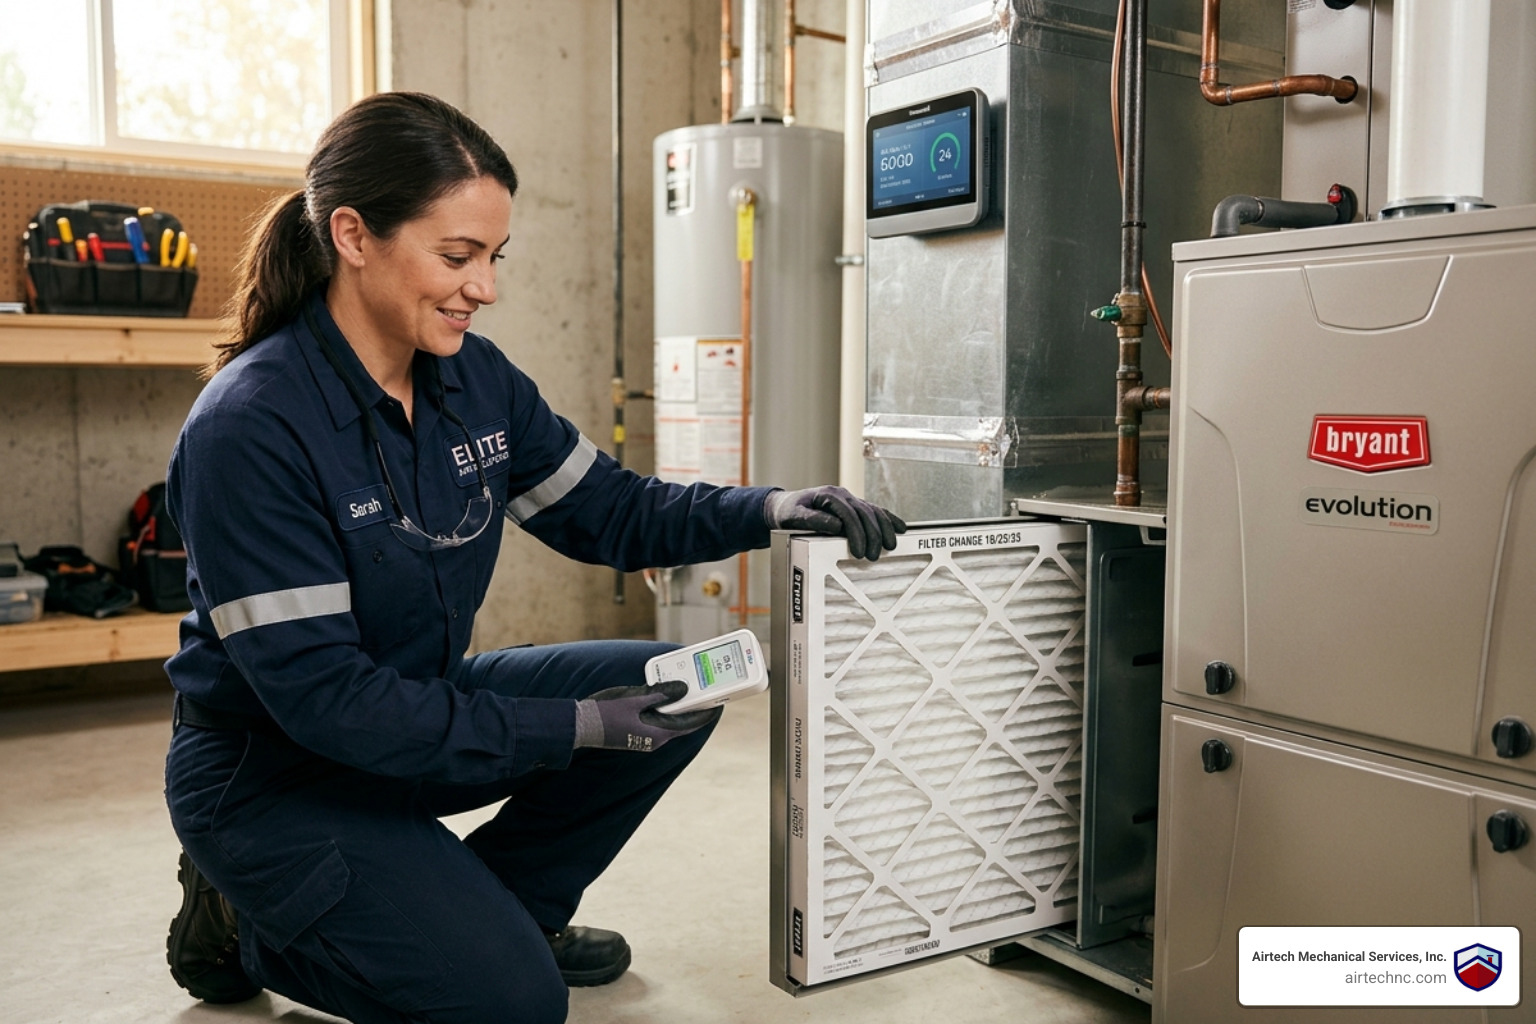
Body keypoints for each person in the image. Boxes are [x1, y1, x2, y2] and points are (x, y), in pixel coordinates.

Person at [160, 91, 903, 1024]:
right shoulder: (252, 427)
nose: (486, 287)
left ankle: (511, 910)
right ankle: (250, 923)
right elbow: (326, 703)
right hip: (275, 768)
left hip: (415, 708)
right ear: (353, 235)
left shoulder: (475, 379)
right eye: (457, 256)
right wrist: (576, 728)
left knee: (680, 687)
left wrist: (777, 509)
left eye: (494, 257)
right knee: (510, 1006)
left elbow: (613, 512)